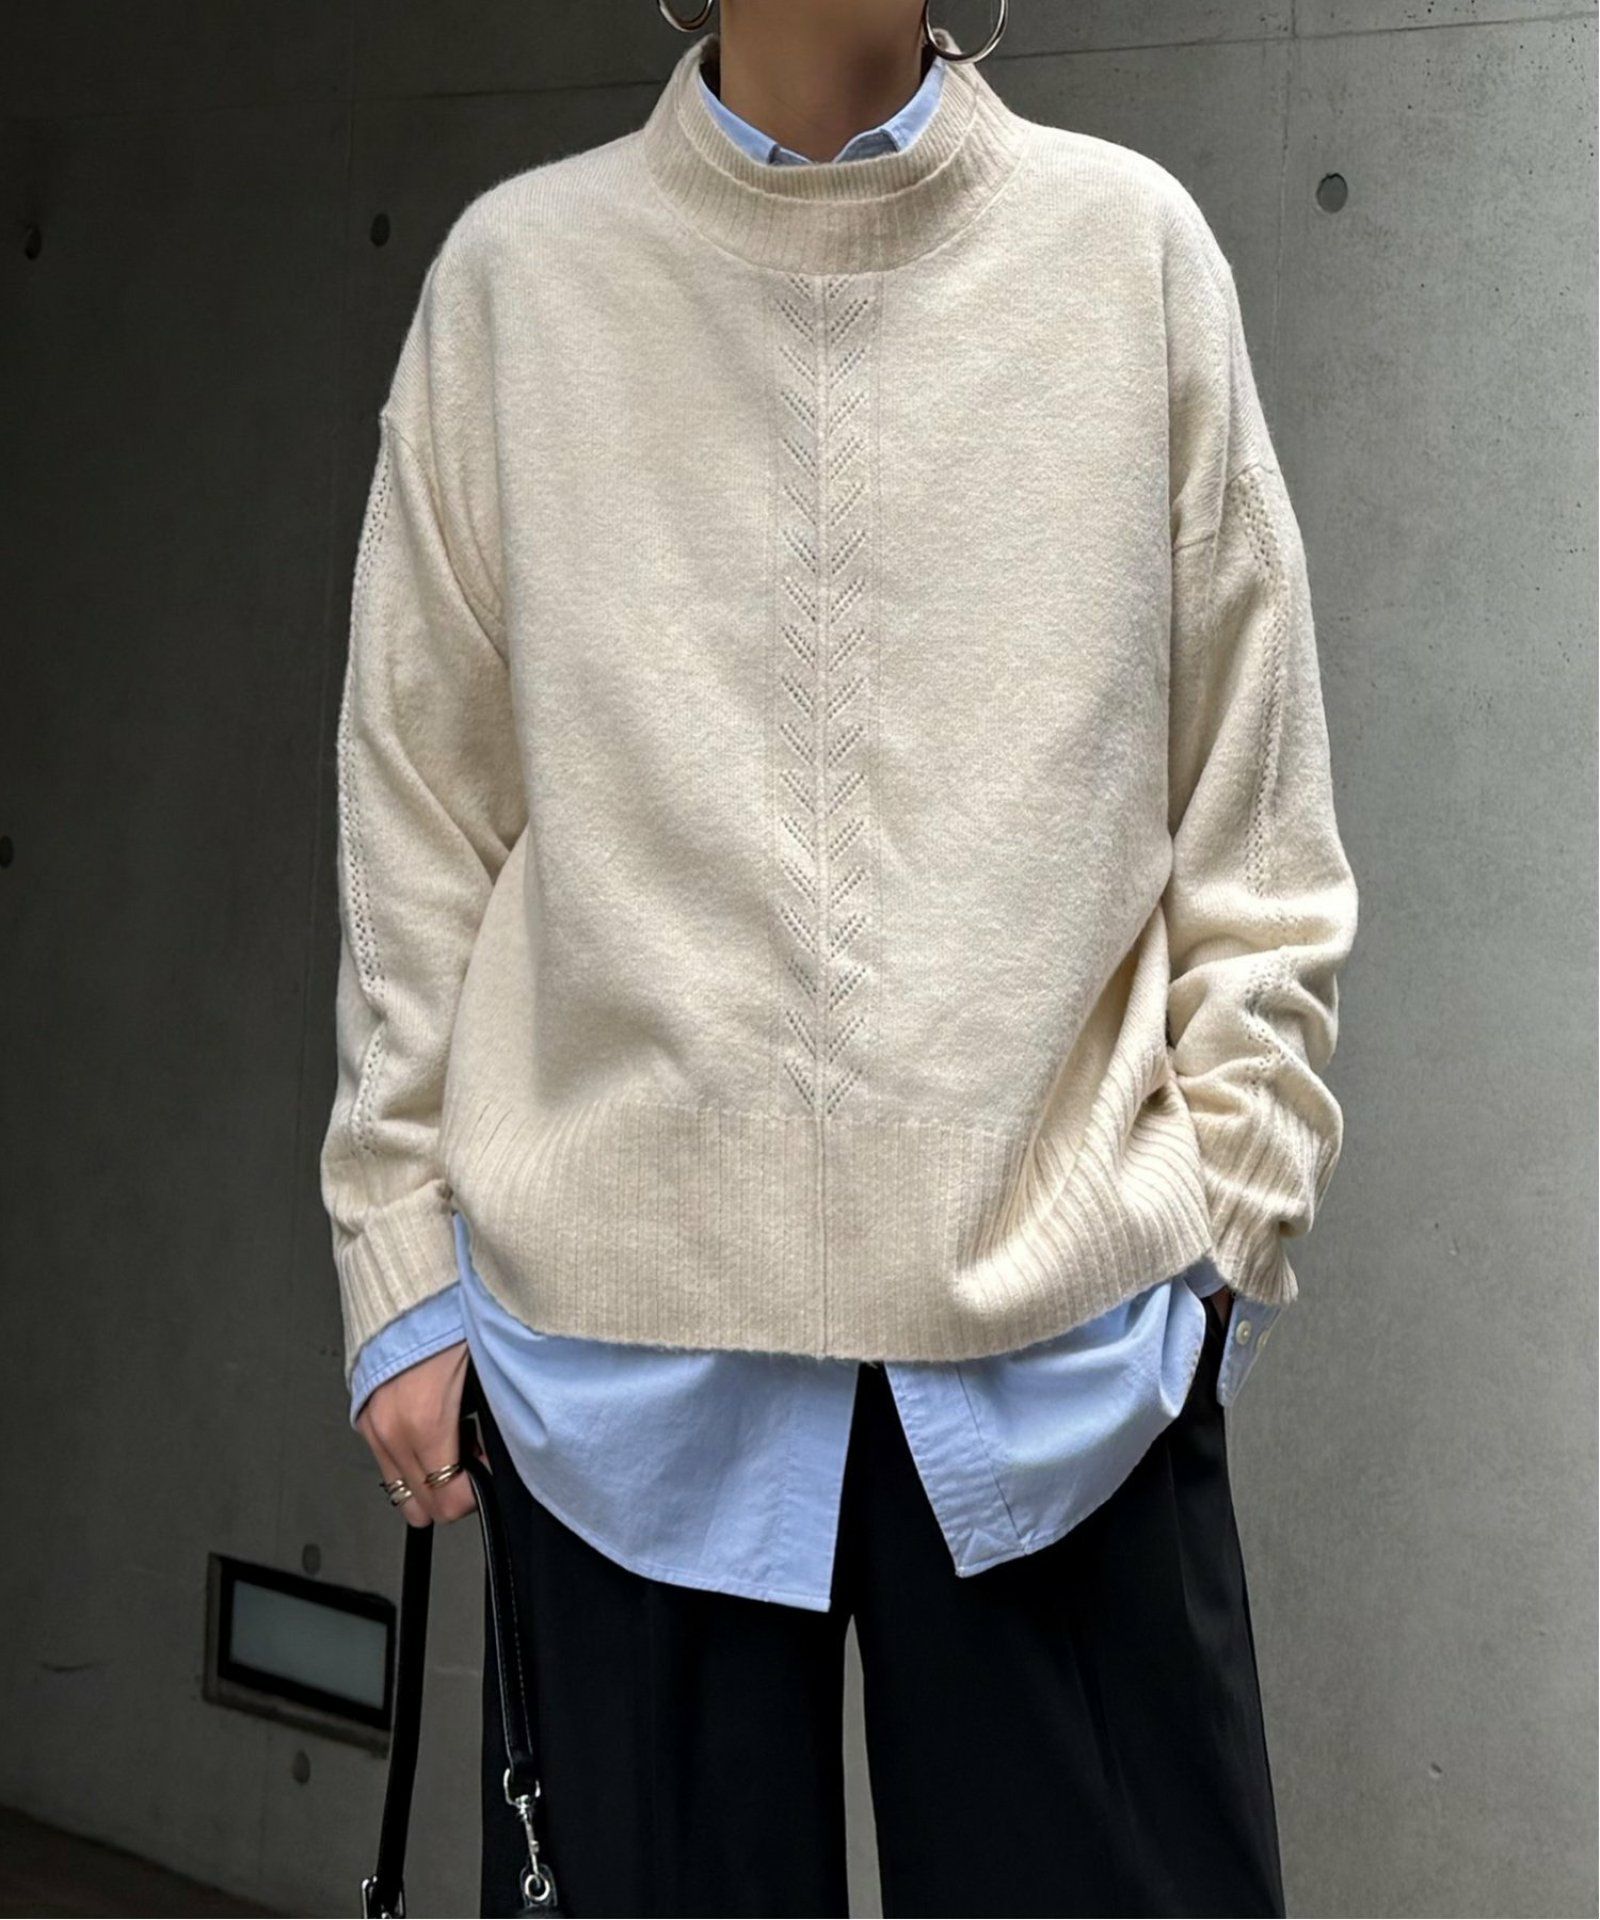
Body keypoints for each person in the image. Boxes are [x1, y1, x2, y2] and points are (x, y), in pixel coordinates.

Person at [320, 1, 1360, 1913]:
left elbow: (1255, 815)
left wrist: (1231, 1217)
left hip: (1069, 1342)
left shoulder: (1127, 253)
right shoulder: (517, 286)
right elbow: (419, 820)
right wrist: (400, 1257)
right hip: (614, 1350)